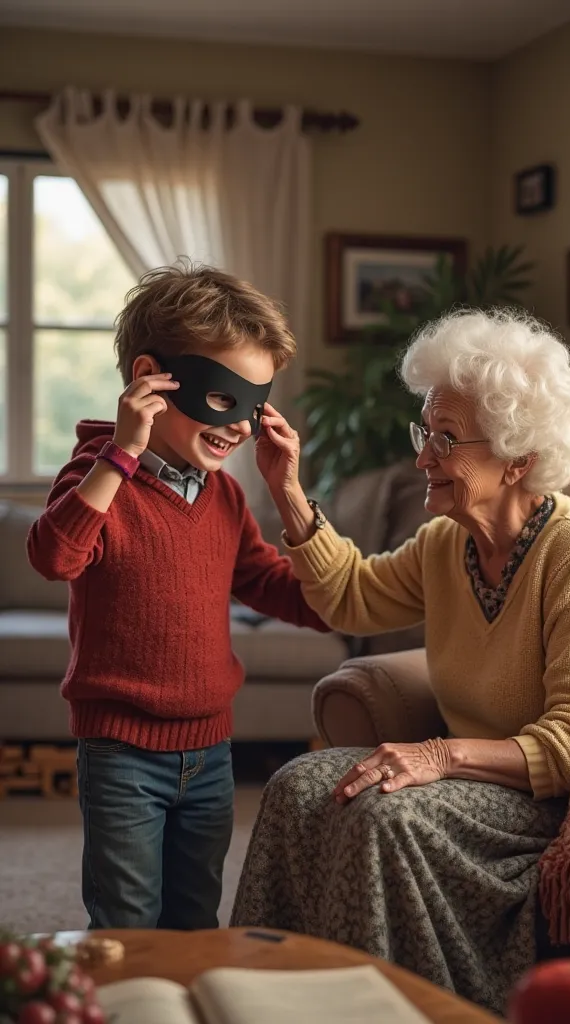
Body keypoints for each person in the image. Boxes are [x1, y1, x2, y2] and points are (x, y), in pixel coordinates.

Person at [232, 308, 570, 1014]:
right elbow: (353, 599)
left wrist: (441, 755)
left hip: (541, 802)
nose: (423, 455)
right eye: (425, 431)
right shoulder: (445, 542)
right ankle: (270, 995)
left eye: (446, 439)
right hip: (472, 780)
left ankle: (388, 1006)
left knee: (383, 816)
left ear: (518, 458)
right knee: (298, 786)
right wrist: (286, 490)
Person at [27, 264, 327, 931]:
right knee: (129, 922)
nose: (241, 428)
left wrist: (289, 495)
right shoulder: (96, 471)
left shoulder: (222, 494)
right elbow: (56, 555)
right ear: (150, 380)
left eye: (253, 406)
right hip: (121, 755)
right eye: (224, 401)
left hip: (210, 753)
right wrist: (122, 453)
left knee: (195, 919)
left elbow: (292, 592)